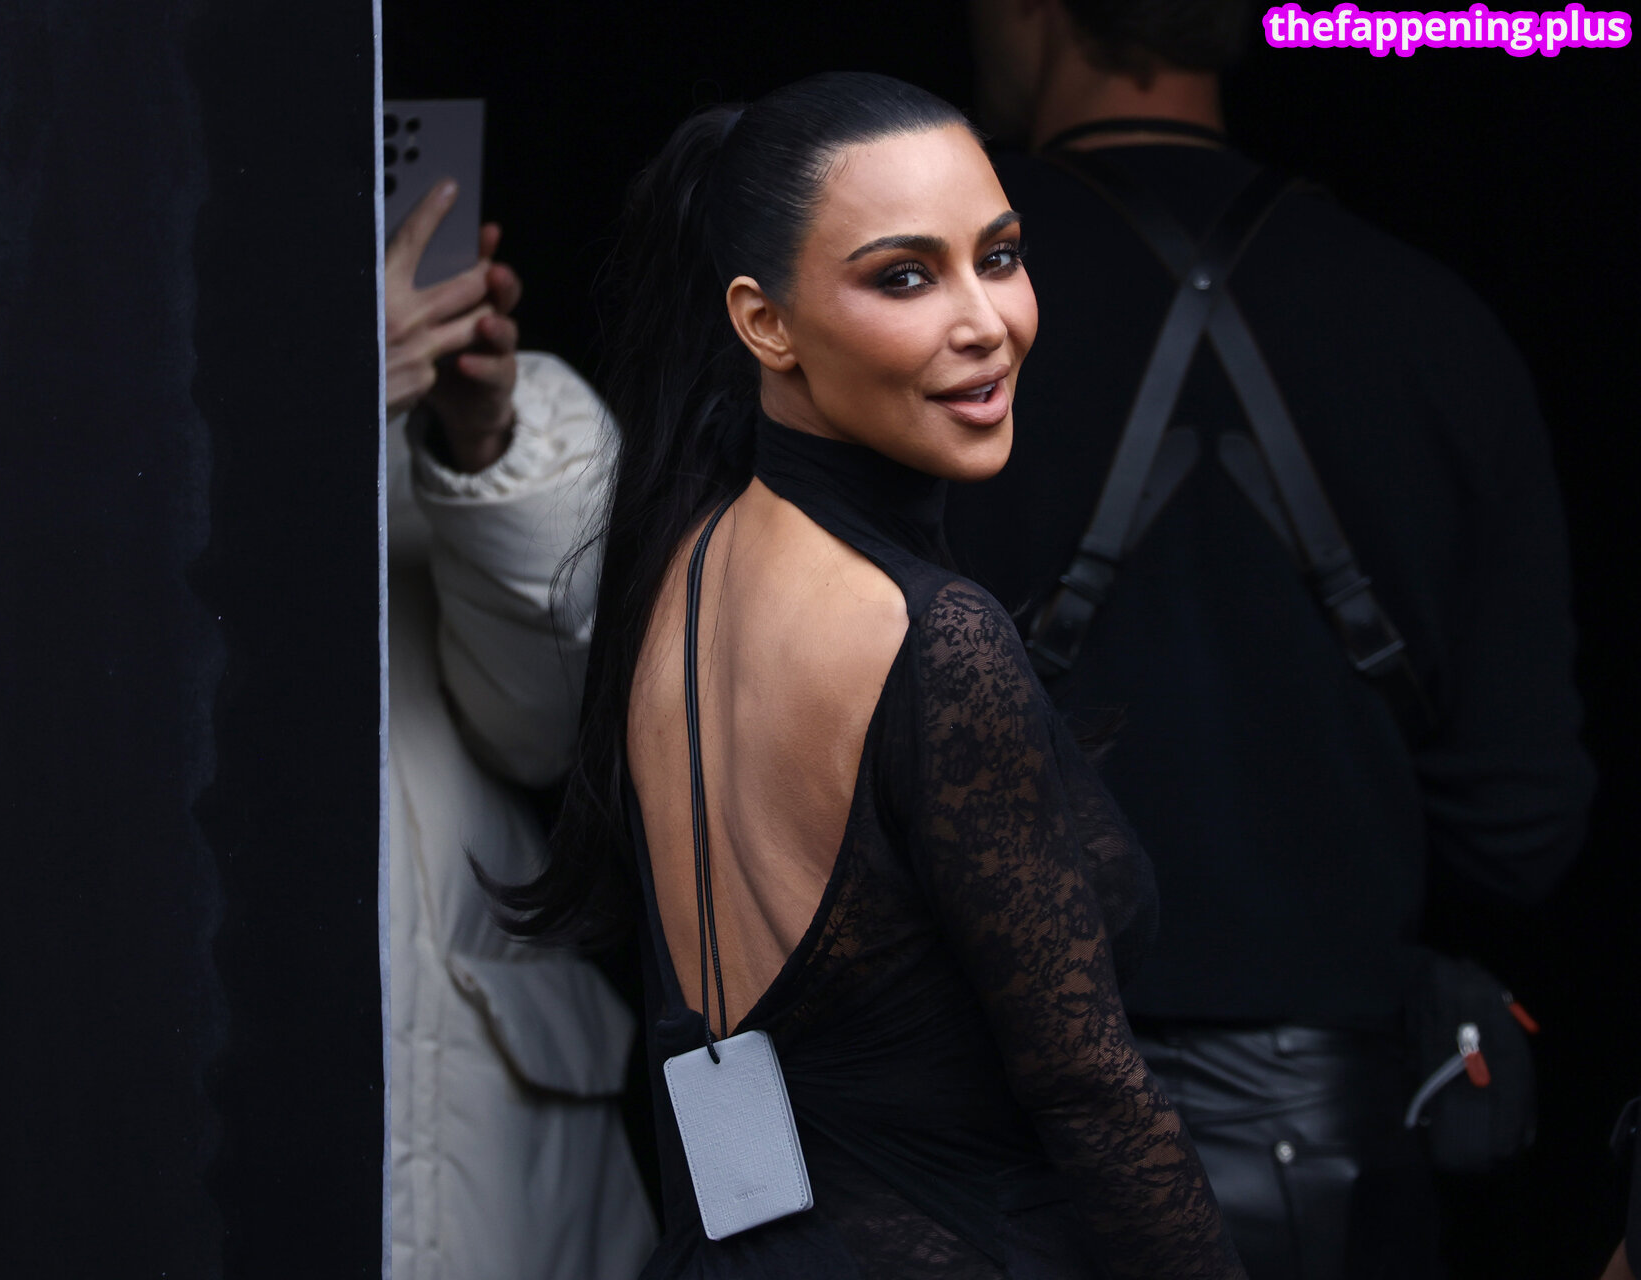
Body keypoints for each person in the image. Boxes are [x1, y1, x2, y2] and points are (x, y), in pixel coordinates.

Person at [491, 72, 1246, 1278]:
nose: (985, 320)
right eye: (905, 276)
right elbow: (1094, 1096)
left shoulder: (685, 562)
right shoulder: (930, 637)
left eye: (999, 256)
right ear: (765, 323)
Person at [945, 2, 1597, 1276]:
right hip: (1329, 1157)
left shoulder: (912, 320)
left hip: (986, 1134)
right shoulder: (1433, 321)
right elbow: (1526, 829)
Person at [384, 181, 656, 1279]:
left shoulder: (525, 426)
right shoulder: (63, 380)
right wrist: (311, 393)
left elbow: (544, 731)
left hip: (473, 1113)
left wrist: (479, 439)